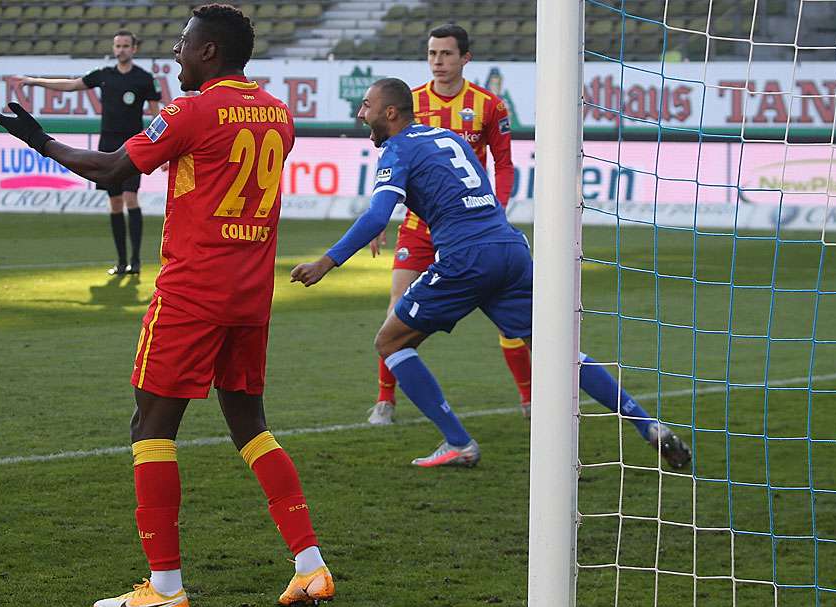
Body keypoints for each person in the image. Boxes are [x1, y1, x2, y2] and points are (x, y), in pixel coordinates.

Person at [0, 4, 334, 607]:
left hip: (193, 291)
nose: (175, 54)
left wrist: (38, 140)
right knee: (250, 425)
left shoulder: (192, 110)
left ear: (209, 53)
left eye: (183, 43)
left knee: (150, 428)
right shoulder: (278, 114)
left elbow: (114, 168)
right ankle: (311, 566)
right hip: (250, 294)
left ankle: (165, 587)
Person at [291, 78, 693, 470]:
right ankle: (648, 424)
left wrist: (326, 262)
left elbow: (378, 213)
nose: (361, 113)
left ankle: (459, 443)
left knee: (390, 342)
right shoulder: (445, 137)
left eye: (367, 106)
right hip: (510, 248)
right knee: (558, 352)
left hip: (465, 258)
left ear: (390, 113)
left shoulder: (396, 149)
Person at [364, 23, 530, 427]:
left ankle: (530, 399)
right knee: (395, 311)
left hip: (472, 228)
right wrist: (378, 218)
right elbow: (391, 163)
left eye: (447, 54)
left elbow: (505, 164)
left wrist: (497, 209)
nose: (438, 62)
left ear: (464, 59)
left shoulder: (489, 105)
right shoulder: (409, 102)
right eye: (432, 54)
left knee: (513, 323)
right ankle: (385, 401)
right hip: (419, 227)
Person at [13, 30, 163, 276]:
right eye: (118, 45)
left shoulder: (144, 79)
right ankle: (121, 261)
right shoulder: (104, 75)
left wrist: (159, 150)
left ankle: (136, 262)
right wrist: (35, 81)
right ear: (114, 48)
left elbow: (155, 116)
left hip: (133, 146)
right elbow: (72, 85)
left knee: (130, 198)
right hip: (107, 144)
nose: (121, 50)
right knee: (114, 203)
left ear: (134, 49)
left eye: (126, 45)